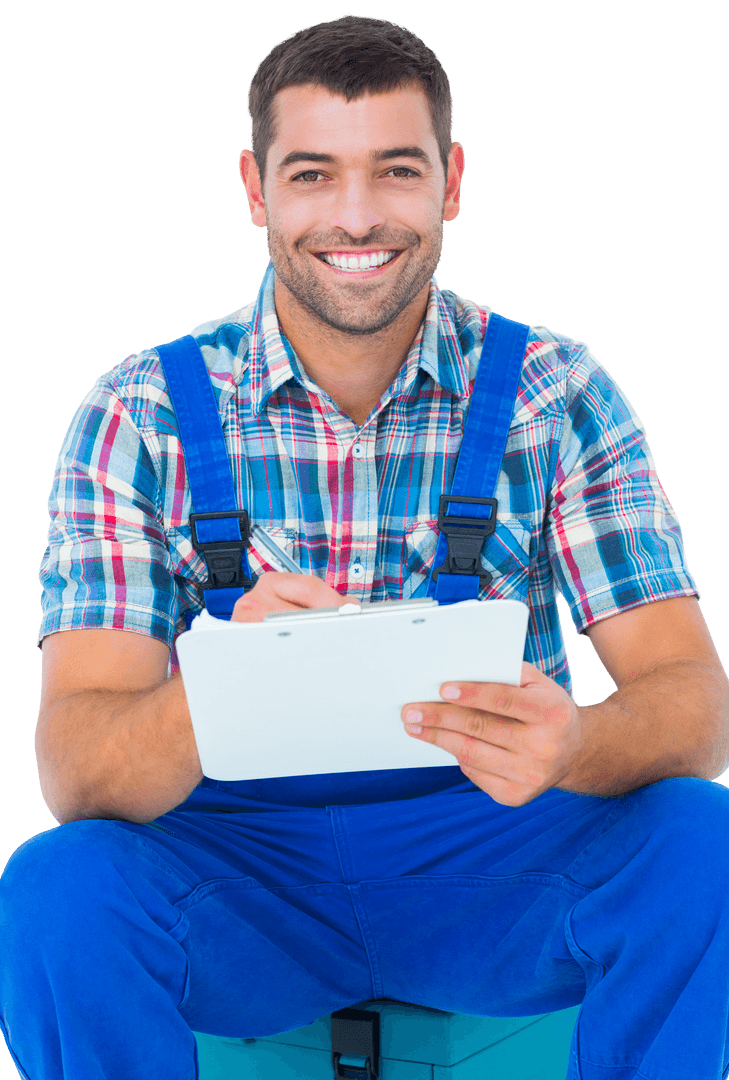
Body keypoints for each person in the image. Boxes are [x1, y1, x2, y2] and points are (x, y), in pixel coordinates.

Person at [1, 14, 727, 1080]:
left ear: (451, 181)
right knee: (56, 887)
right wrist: (223, 682)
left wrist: (574, 748)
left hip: (496, 862)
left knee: (702, 843)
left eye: (395, 169)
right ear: (257, 190)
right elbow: (74, 770)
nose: (355, 215)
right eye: (312, 174)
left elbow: (694, 702)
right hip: (242, 882)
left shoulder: (555, 391)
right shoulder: (140, 412)